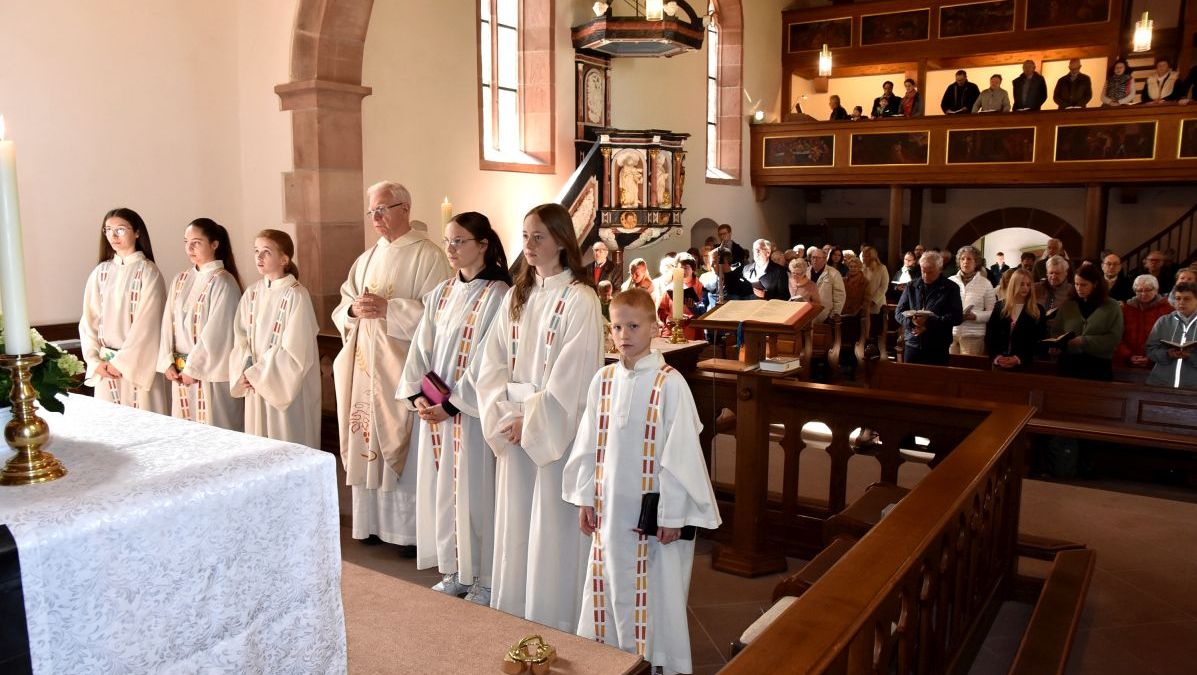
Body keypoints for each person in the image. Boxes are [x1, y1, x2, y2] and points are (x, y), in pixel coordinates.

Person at [563, 288, 720, 673]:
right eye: (617, 326)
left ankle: (655, 660)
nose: (624, 334)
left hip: (652, 517)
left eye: (633, 325)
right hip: (610, 510)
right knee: (609, 580)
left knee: (655, 589)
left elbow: (682, 455)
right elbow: (588, 444)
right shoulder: (603, 380)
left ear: (654, 327)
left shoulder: (670, 384)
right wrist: (586, 496)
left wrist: (671, 514)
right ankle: (612, 655)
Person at [476, 203, 604, 632]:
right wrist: (502, 414)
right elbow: (490, 362)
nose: (528, 246)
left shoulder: (581, 300)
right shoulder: (518, 294)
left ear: (562, 241)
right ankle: (516, 614)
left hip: (553, 436)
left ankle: (554, 617)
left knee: (550, 526)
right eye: (525, 236)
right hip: (514, 428)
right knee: (516, 525)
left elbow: (575, 378)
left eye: (538, 237)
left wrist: (527, 420)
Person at [397, 212, 511, 605]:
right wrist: (419, 395)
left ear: (483, 245)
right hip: (439, 415)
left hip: (473, 416)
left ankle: (485, 578)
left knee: (476, 494)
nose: (451, 249)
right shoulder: (441, 293)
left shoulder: (499, 294)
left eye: (459, 241)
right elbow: (421, 347)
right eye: (448, 241)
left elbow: (490, 360)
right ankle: (456, 571)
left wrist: (454, 402)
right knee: (445, 494)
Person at [332, 181, 453, 552]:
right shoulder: (365, 258)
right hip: (365, 367)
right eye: (372, 211)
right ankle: (371, 524)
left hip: (401, 368)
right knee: (366, 432)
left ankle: (407, 533)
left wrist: (390, 309)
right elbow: (344, 304)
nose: (376, 217)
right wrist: (353, 311)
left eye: (383, 209)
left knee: (401, 437)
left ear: (406, 209)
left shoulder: (429, 256)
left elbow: (440, 315)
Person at [229, 229, 320, 447]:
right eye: (256, 251)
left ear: (284, 259)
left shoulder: (297, 295)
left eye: (266, 252)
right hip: (255, 382)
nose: (259, 257)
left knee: (285, 442)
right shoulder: (251, 292)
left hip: (283, 386)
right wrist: (245, 368)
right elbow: (240, 338)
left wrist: (259, 374)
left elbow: (296, 350)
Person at [79, 207, 168, 414]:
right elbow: (88, 321)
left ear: (137, 232)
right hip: (105, 368)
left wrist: (121, 363)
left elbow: (148, 325)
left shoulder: (148, 272)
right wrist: (94, 360)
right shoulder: (100, 272)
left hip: (136, 367)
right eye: (108, 230)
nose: (113, 235)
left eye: (120, 229)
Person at [158, 217, 244, 429]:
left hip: (208, 375)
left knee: (214, 431)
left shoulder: (224, 282)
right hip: (181, 374)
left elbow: (218, 333)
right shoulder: (180, 279)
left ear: (214, 244)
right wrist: (167, 361)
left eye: (196, 242)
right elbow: (167, 324)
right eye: (186, 242)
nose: (190, 248)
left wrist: (193, 368)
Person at [1051, 264, 1124, 381]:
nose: (1079, 288)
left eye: (1084, 285)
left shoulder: (1111, 306)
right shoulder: (1068, 305)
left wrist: (1084, 341)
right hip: (1069, 365)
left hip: (1098, 366)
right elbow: (1056, 331)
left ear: (1095, 284)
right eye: (1076, 284)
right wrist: (1056, 345)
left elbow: (1114, 338)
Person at [895, 251, 963, 365]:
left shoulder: (950, 288)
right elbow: (898, 312)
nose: (925, 275)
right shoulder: (912, 286)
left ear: (940, 269)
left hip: (938, 345)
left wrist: (928, 323)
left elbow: (957, 317)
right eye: (923, 271)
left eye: (930, 272)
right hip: (913, 343)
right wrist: (912, 322)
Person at [986, 268, 1046, 370]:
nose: (1025, 288)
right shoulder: (1000, 306)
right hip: (999, 363)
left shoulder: (1037, 310)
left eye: (1028, 284)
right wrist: (997, 357)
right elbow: (990, 336)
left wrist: (1018, 358)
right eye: (1021, 284)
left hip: (1024, 364)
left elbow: (1038, 340)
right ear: (1013, 285)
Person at [1145, 282, 1197, 389]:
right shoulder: (1164, 321)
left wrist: (1190, 356)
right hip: (1160, 383)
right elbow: (1150, 350)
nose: (1181, 302)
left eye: (1187, 299)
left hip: (1193, 386)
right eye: (1178, 298)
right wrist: (1168, 354)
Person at [1114, 275, 1172, 369]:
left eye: (1148, 290)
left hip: (1158, 364)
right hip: (1127, 362)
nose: (1143, 294)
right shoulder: (1126, 309)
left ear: (1156, 290)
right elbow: (1117, 336)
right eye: (1139, 290)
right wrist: (1128, 355)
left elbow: (1170, 339)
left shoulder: (1168, 310)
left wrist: (1152, 357)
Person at [949, 246, 996, 356]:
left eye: (969, 259)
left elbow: (993, 313)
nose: (965, 262)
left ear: (976, 262)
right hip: (951, 333)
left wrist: (975, 316)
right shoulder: (950, 281)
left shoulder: (985, 283)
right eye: (962, 259)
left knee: (968, 371)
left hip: (973, 335)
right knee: (950, 369)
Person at [657, 255, 705, 340]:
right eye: (680, 268)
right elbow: (661, 309)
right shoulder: (671, 287)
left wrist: (689, 318)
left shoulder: (700, 287)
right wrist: (667, 319)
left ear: (693, 269)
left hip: (692, 334)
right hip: (670, 333)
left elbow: (704, 311)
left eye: (686, 268)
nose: (683, 271)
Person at [860, 246, 889, 336]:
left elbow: (883, 287)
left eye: (867, 256)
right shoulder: (862, 268)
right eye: (863, 256)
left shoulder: (882, 268)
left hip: (877, 304)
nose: (864, 258)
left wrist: (873, 301)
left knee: (875, 331)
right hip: (863, 304)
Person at [808, 247, 845, 318]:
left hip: (825, 314)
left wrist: (834, 314)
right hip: (807, 312)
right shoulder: (805, 272)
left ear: (824, 259)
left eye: (818, 258)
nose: (815, 260)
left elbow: (839, 296)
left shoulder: (834, 273)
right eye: (813, 257)